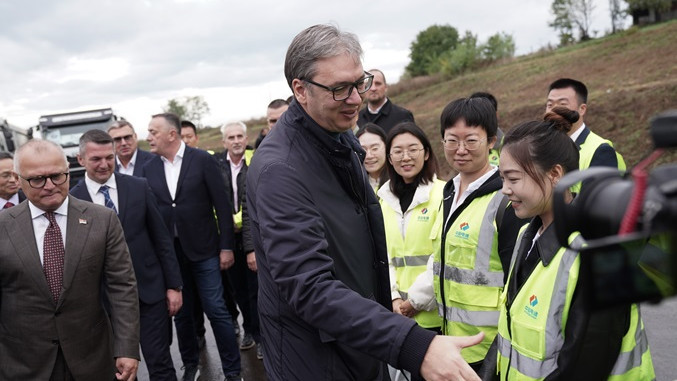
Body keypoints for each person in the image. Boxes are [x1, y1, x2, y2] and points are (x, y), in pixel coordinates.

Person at [247, 24, 483, 381]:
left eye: (360, 82)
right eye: (339, 88)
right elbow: (308, 287)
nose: (357, 98)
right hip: (317, 358)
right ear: (300, 89)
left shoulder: (338, 139)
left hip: (357, 341)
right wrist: (412, 345)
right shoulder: (280, 170)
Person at [488, 107, 654, 380]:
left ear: (555, 174)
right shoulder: (525, 236)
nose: (505, 189)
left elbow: (583, 369)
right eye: (502, 178)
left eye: (513, 178)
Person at [400, 98, 526, 373]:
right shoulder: (448, 193)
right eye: (451, 140)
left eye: (471, 140)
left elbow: (519, 281)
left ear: (491, 141)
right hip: (449, 339)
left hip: (490, 348)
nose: (460, 150)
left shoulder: (504, 199)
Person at [0, 139, 140, 380]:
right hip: (23, 363)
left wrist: (127, 349)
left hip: (94, 358)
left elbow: (122, 287)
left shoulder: (102, 220)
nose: (49, 186)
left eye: (57, 176)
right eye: (37, 179)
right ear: (19, 179)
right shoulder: (3, 227)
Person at [71, 129, 184, 381]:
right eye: (96, 159)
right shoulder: (71, 200)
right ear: (80, 160)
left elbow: (162, 240)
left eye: (109, 158)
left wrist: (173, 286)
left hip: (149, 293)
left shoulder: (138, 187)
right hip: (102, 303)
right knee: (119, 372)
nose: (104, 164)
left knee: (160, 363)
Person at [143, 113, 242, 381]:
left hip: (205, 251)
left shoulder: (202, 160)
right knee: (182, 314)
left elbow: (222, 206)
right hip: (171, 256)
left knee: (216, 309)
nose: (149, 137)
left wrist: (226, 247)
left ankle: (233, 370)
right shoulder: (149, 167)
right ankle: (190, 366)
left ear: (171, 134)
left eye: (153, 132)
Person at [378, 122, 445, 381]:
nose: (406, 157)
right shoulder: (381, 199)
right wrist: (394, 299)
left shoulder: (443, 193)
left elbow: (440, 254)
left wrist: (414, 302)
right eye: (398, 151)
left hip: (432, 312)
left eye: (413, 149)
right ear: (390, 158)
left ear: (426, 153)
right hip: (396, 314)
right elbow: (383, 254)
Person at [213, 121, 262, 360]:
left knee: (256, 289)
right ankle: (249, 330)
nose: (236, 141)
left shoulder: (256, 159)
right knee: (237, 290)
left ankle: (261, 335)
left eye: (240, 136)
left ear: (246, 138)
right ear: (224, 142)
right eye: (230, 137)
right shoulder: (216, 165)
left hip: (252, 233)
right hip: (228, 237)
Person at [545, 78, 626, 192]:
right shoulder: (542, 148)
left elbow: (597, 204)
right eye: (549, 105)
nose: (554, 110)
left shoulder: (601, 151)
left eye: (562, 104)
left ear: (582, 109)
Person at [357, 68, 415, 134]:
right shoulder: (356, 118)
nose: (373, 88)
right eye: (369, 84)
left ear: (385, 87)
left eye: (378, 84)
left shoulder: (403, 116)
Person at [468, 92, 505, 167]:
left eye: (485, 115)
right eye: (476, 114)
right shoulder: (461, 148)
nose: (480, 119)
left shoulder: (507, 144)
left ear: (496, 115)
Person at [356, 123, 389, 192]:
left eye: (375, 148)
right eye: (363, 150)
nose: (369, 156)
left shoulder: (399, 182)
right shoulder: (354, 185)